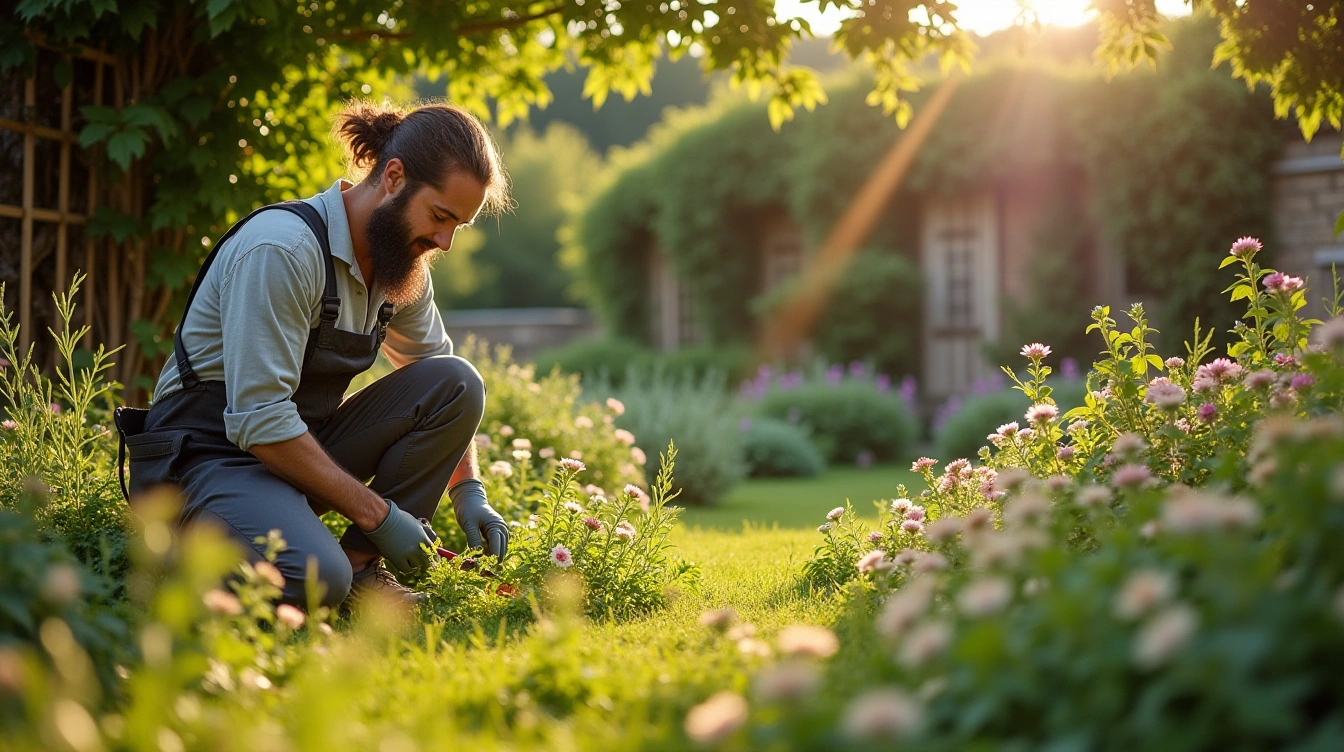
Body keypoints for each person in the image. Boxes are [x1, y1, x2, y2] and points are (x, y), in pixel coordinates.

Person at [125, 101, 512, 608]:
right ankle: (183, 559)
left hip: (293, 454)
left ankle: (359, 571)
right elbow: (259, 421)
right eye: (440, 217)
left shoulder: (402, 268)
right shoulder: (282, 251)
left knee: (456, 383)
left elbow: (432, 373)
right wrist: (380, 515)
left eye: (457, 226)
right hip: (205, 459)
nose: (444, 241)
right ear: (394, 177)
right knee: (315, 578)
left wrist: (469, 491)